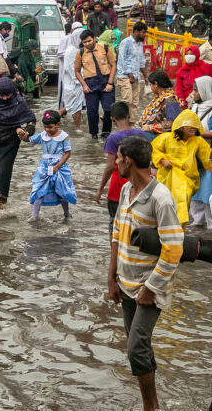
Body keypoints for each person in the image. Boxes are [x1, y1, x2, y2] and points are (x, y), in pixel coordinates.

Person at [108, 135, 182, 411]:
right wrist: (111, 276)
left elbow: (173, 249)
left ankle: (151, 406)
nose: (115, 163)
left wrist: (151, 288)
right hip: (125, 282)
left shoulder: (161, 199)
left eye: (118, 158)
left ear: (128, 160)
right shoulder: (127, 190)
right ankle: (150, 403)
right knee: (138, 347)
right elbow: (117, 233)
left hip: (149, 286)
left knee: (136, 347)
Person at [0, 77, 36, 219]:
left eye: (7, 95)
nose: (4, 98)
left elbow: (31, 120)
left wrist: (26, 132)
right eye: (1, 95)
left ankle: (0, 208)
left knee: (3, 173)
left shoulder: (18, 102)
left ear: (13, 92)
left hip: (10, 143)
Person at [151, 109, 212, 225]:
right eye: (191, 125)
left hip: (187, 179)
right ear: (182, 126)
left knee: (182, 202)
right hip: (167, 177)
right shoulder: (166, 138)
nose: (194, 127)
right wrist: (162, 160)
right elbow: (154, 149)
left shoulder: (198, 141)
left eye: (195, 125)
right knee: (166, 204)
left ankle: (179, 231)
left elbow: (207, 159)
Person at [94, 101, 145, 226]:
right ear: (128, 115)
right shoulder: (141, 134)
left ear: (112, 119)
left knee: (115, 224)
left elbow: (110, 166)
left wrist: (100, 189)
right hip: (139, 184)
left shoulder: (113, 139)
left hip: (118, 187)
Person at [28, 110, 77, 220]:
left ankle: (66, 213)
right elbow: (29, 139)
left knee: (61, 192)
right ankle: (34, 216)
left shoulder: (64, 137)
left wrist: (57, 166)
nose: (47, 130)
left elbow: (67, 153)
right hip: (44, 168)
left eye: (50, 127)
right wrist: (22, 134)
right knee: (39, 189)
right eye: (45, 127)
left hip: (59, 167)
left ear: (58, 125)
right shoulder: (42, 135)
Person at [74, 29, 116, 139]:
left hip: (106, 81)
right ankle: (94, 134)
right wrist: (84, 85)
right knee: (92, 112)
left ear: (94, 39)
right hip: (90, 84)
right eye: (84, 42)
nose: (87, 44)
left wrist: (110, 83)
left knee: (109, 109)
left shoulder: (105, 49)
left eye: (89, 41)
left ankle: (106, 132)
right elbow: (77, 71)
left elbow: (113, 65)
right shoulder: (80, 53)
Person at [188, 76, 212, 227]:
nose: (193, 94)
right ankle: (197, 223)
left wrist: (198, 133)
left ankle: (209, 224)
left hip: (208, 156)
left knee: (207, 192)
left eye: (196, 91)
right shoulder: (194, 107)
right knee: (195, 191)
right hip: (194, 156)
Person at [116, 21, 149, 123]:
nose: (144, 35)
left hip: (136, 76)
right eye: (143, 32)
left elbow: (141, 61)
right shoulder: (125, 42)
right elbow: (121, 59)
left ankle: (131, 124)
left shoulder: (140, 44)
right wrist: (129, 73)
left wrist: (145, 76)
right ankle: (122, 123)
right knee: (127, 101)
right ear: (136, 31)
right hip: (124, 76)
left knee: (135, 103)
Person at [138, 70, 182, 139]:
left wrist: (150, 127)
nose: (150, 87)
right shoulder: (159, 97)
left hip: (163, 137)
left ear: (156, 84)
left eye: (150, 84)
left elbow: (172, 123)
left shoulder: (170, 100)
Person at [58, 28, 85, 131]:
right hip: (73, 83)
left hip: (75, 83)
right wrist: (81, 81)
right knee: (74, 107)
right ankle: (78, 129)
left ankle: (78, 128)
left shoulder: (76, 50)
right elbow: (71, 69)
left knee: (71, 107)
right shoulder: (71, 52)